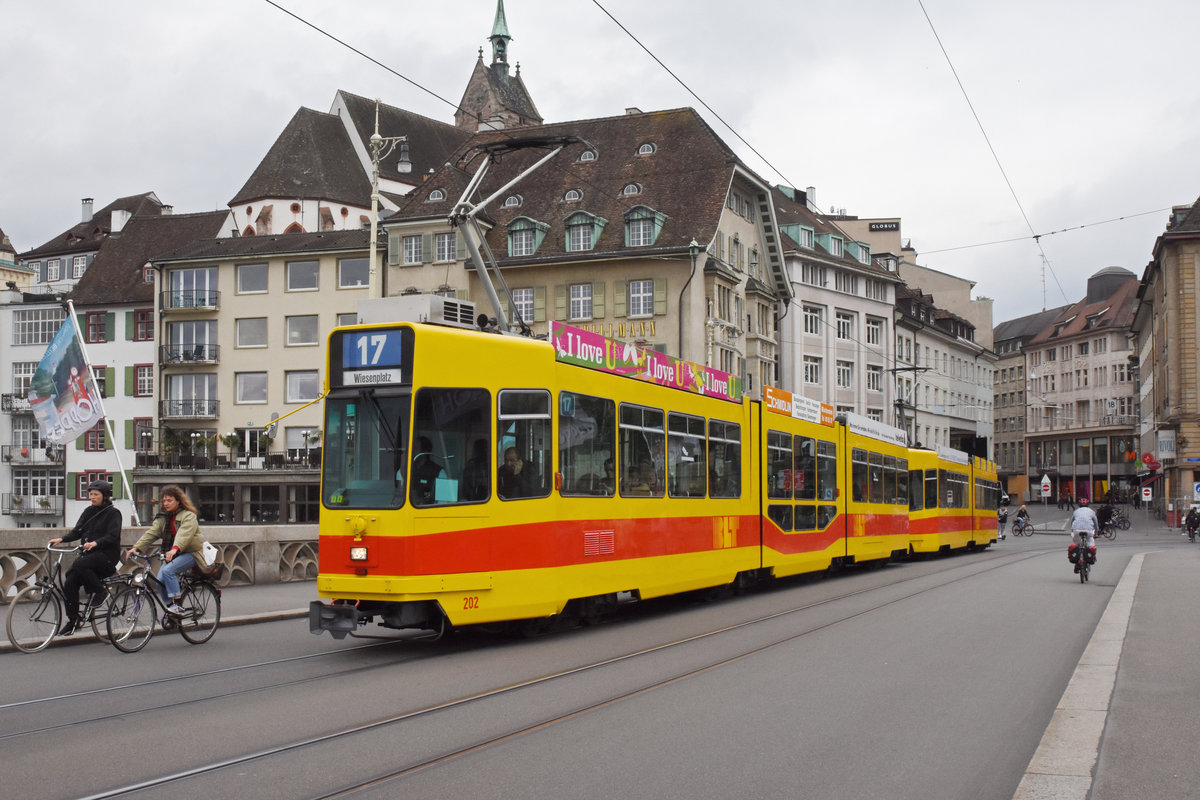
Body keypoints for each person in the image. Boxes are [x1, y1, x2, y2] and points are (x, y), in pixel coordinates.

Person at [48, 479, 122, 635]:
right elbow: (77, 531)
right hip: (90, 556)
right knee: (70, 581)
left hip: (107, 556)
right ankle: (73, 621)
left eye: (96, 494)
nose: (92, 497)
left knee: (80, 565)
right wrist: (61, 539)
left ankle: (101, 592)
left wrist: (96, 543)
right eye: (91, 494)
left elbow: (113, 535)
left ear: (105, 496)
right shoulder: (88, 511)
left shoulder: (113, 513)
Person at [126, 486, 211, 615]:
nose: (165, 503)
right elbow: (151, 533)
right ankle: (170, 607)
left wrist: (175, 549)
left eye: (169, 500)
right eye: (164, 501)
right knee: (160, 581)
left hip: (191, 553)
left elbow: (184, 534)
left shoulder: (188, 516)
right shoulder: (163, 518)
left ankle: (177, 604)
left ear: (178, 501)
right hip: (171, 554)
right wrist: (136, 548)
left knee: (168, 571)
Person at [411, 436, 444, 505]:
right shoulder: (405, 470)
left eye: (416, 448)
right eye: (412, 448)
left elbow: (444, 502)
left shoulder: (439, 472)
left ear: (425, 451)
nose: (412, 451)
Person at [1068, 496, 1099, 568]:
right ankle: (1092, 557)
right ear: (1088, 504)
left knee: (1076, 543)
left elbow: (1072, 522)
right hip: (1089, 531)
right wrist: (1097, 533)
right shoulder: (1091, 511)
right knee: (1091, 543)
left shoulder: (1076, 511)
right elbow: (1096, 523)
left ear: (1079, 505)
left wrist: (1072, 530)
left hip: (1076, 530)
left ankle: (1077, 561)